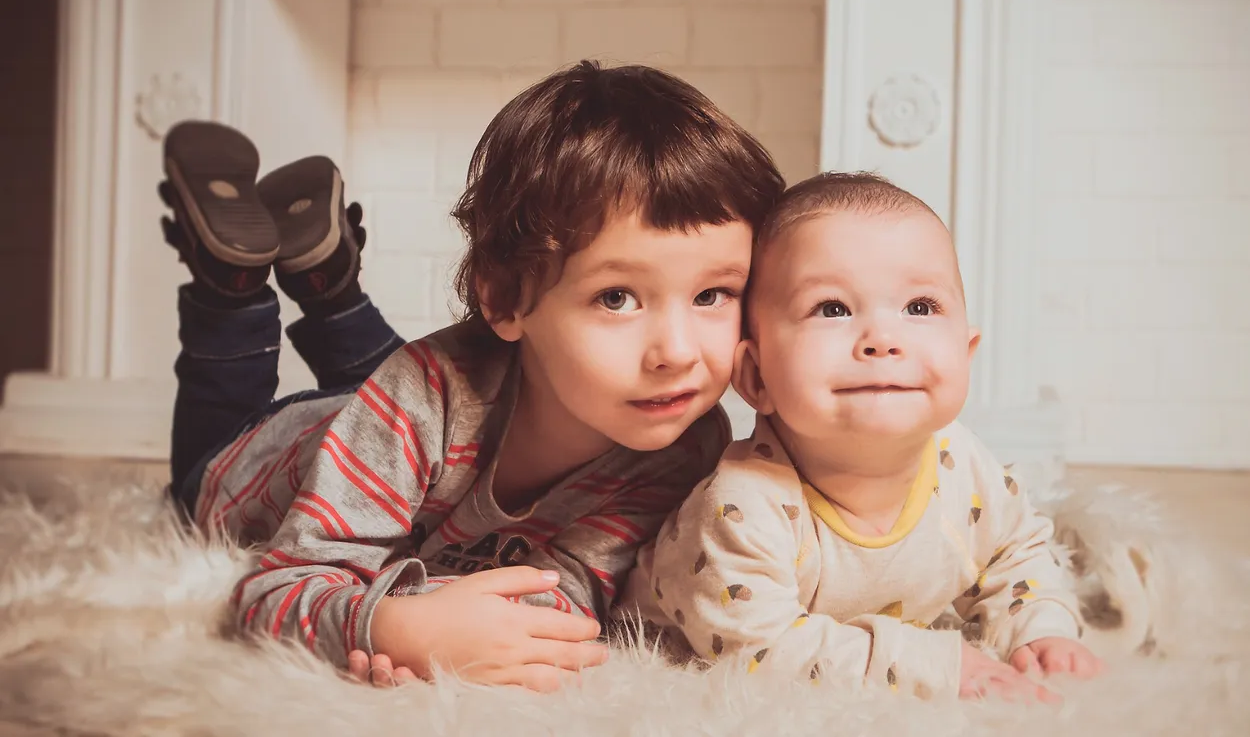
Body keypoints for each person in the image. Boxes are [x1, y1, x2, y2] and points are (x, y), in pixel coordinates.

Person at [158, 61, 785, 691]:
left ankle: (332, 289)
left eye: (713, 295)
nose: (676, 353)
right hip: (263, 456)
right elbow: (270, 591)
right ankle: (230, 285)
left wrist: (468, 625)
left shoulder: (682, 441)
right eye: (616, 297)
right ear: (506, 299)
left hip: (420, 423)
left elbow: (569, 594)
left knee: (438, 391)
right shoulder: (420, 399)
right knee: (206, 463)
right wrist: (389, 628)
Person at [616, 172, 1101, 702]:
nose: (883, 340)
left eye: (920, 307)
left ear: (966, 353)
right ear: (756, 377)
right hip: (658, 639)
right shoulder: (741, 506)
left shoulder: (961, 461)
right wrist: (932, 663)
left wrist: (1040, 626)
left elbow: (1016, 553)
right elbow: (756, 651)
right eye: (833, 309)